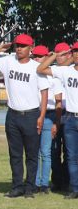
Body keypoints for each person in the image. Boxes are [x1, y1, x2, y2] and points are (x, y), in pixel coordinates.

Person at [0, 33, 49, 198]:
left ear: (31, 48)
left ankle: (30, 188)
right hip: (13, 114)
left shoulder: (36, 67)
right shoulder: (8, 61)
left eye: (23, 46)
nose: (19, 49)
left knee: (32, 155)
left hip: (31, 114)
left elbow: (44, 93)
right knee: (15, 154)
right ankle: (17, 187)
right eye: (17, 45)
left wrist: (41, 116)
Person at [36, 42, 78, 199]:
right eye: (74, 51)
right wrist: (54, 55)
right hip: (69, 117)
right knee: (69, 155)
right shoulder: (66, 71)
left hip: (65, 113)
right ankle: (72, 187)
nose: (76, 54)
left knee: (70, 155)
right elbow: (40, 69)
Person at [32, 45, 62, 194]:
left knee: (45, 152)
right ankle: (35, 182)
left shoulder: (53, 76)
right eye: (35, 56)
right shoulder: (32, 73)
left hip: (49, 115)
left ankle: (44, 184)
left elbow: (58, 101)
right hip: (33, 113)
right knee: (35, 151)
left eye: (40, 56)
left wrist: (56, 122)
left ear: (46, 57)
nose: (37, 59)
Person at [50, 42, 74, 192]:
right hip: (54, 112)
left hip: (69, 113)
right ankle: (57, 180)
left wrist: (71, 58)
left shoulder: (72, 70)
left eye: (63, 54)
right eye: (58, 54)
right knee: (54, 150)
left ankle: (67, 180)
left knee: (70, 151)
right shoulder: (53, 70)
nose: (60, 57)